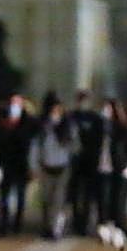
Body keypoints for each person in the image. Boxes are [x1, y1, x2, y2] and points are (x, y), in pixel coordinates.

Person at [29, 93, 80, 240]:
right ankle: (46, 226)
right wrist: (33, 166)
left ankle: (55, 229)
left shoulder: (68, 126)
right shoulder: (42, 126)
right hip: (46, 167)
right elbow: (35, 147)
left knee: (58, 200)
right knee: (46, 200)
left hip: (62, 168)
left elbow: (75, 146)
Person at [96, 98, 127, 248]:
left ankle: (118, 228)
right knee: (104, 199)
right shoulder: (100, 127)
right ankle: (105, 225)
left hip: (120, 169)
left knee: (119, 200)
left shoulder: (124, 127)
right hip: (103, 169)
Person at [0, 93, 36, 236]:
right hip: (6, 163)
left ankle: (17, 225)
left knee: (20, 195)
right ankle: (4, 224)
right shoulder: (2, 121)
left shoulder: (28, 122)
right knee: (4, 195)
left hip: (22, 164)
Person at [67, 90, 104, 236]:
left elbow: (100, 140)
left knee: (88, 195)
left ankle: (84, 222)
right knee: (75, 194)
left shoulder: (96, 119)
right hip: (74, 161)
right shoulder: (71, 117)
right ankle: (76, 221)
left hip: (90, 162)